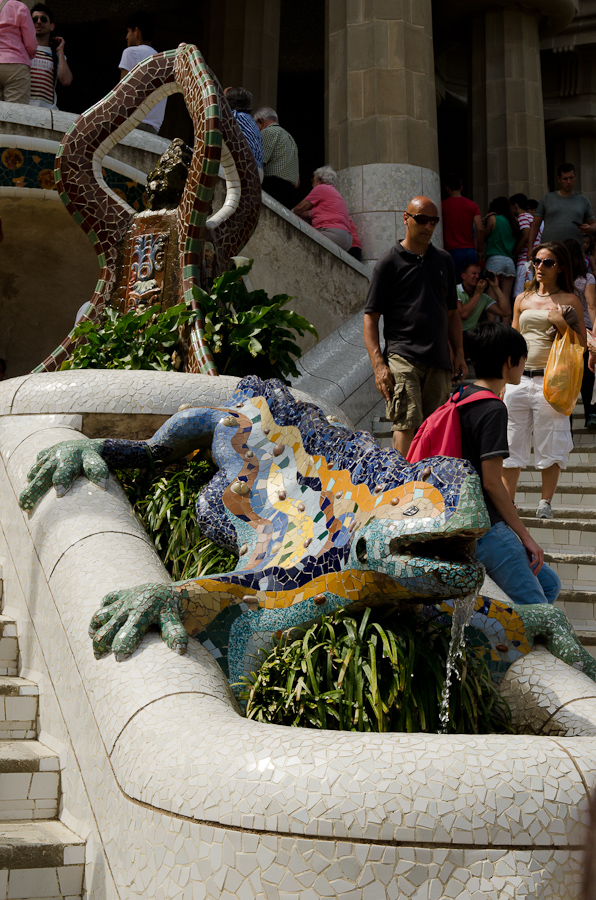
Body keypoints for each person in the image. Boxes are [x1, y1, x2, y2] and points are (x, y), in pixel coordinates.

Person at [461, 322, 561, 605]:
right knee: (540, 609)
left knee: (550, 583)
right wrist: (525, 536)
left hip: (466, 520)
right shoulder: (493, 409)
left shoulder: (460, 397)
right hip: (487, 527)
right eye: (523, 359)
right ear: (510, 361)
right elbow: (493, 482)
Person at [363, 195, 467, 456]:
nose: (428, 226)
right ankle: (401, 487)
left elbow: (453, 313)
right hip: (403, 354)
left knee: (436, 427)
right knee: (406, 421)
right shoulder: (389, 262)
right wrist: (378, 365)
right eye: (422, 219)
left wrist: (459, 354)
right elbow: (370, 317)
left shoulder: (444, 260)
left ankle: (430, 490)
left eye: (434, 221)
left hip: (439, 358)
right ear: (406, 219)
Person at [503, 242, 587, 519]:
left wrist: (562, 325)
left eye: (547, 262)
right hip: (518, 381)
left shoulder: (570, 300)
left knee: (551, 443)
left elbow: (581, 346)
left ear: (560, 267)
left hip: (551, 382)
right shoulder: (522, 299)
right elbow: (512, 340)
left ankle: (545, 503)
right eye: (536, 261)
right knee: (510, 443)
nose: (539, 267)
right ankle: (507, 504)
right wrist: (503, 379)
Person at [563, 238, 596, 428]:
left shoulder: (576, 279)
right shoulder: (586, 278)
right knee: (582, 373)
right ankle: (589, 414)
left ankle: (578, 414)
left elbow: (591, 306)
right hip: (575, 329)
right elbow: (591, 306)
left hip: (574, 329)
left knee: (577, 373)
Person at [528, 162, 596, 250]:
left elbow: (593, 224)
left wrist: (590, 229)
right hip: (550, 248)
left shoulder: (583, 200)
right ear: (559, 179)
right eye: (565, 179)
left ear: (575, 176)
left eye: (571, 178)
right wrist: (530, 248)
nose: (569, 182)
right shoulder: (547, 198)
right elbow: (535, 225)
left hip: (574, 249)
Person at [118, 11, 165, 135]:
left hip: (133, 123)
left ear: (137, 31)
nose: (126, 37)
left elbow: (121, 93)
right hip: (154, 127)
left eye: (128, 31)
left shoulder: (131, 52)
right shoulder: (162, 59)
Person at [292, 166, 352, 252]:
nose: (312, 184)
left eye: (313, 180)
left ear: (321, 180)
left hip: (332, 233)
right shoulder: (334, 194)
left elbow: (300, 208)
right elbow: (309, 214)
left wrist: (288, 212)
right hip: (347, 240)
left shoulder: (321, 188)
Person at [253, 107, 299, 209]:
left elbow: (260, 163)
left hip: (273, 187)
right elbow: (298, 182)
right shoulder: (290, 138)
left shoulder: (267, 132)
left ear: (260, 121)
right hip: (291, 193)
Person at [441, 172, 483, 281]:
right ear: (461, 188)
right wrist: (480, 249)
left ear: (447, 188)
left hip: (452, 251)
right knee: (473, 282)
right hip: (470, 250)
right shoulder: (473, 205)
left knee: (455, 285)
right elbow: (479, 228)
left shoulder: (442, 205)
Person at [29, 3, 72, 109]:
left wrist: (60, 51)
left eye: (43, 19)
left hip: (48, 112)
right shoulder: (23, 50)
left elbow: (66, 80)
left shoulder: (56, 55)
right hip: (25, 109)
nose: (38, 22)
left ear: (51, 26)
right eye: (34, 20)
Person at [483, 196, 519, 308]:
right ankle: (505, 324)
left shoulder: (493, 219)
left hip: (494, 260)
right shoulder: (513, 222)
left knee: (491, 297)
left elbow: (483, 237)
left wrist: (484, 220)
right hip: (509, 261)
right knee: (505, 297)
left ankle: (492, 324)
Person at [223, 86, 263, 181]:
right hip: (258, 172)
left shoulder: (234, 116)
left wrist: (222, 97)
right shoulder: (251, 121)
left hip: (243, 169)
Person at [0, 0, 36, 103]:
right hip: (15, 65)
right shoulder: (20, 7)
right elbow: (31, 44)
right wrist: (28, 56)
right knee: (14, 114)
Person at [457, 263, 510, 331]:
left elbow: (506, 312)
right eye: (474, 273)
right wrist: (478, 293)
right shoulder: (455, 291)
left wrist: (496, 287)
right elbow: (463, 315)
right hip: (454, 335)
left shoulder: (483, 297)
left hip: (471, 335)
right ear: (463, 276)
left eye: (479, 274)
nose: (477, 277)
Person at [510, 193, 534, 297]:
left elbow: (526, 234)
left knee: (520, 295)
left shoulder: (522, 217)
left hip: (525, 262)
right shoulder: (531, 217)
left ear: (515, 205)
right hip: (532, 262)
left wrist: (515, 252)